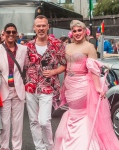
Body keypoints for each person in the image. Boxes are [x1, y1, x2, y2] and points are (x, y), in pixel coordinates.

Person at [53, 20, 119, 150]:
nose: (77, 33)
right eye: (75, 31)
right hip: (69, 86)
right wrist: (63, 82)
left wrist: (98, 88)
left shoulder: (89, 47)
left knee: (80, 114)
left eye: (80, 30)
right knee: (72, 113)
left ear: (85, 32)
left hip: (82, 86)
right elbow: (66, 67)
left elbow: (93, 70)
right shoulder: (67, 47)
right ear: (71, 33)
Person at [25, 15, 66, 150]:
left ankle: (50, 146)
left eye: (43, 25)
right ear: (34, 28)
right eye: (38, 26)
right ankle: (39, 147)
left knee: (44, 121)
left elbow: (65, 64)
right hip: (30, 88)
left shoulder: (57, 45)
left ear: (48, 26)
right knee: (33, 121)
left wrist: (54, 72)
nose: (41, 28)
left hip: (48, 88)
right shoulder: (27, 46)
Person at [0, 23, 27, 150]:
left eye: (13, 32)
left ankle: (17, 148)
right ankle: (4, 148)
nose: (11, 34)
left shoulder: (23, 49)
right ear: (4, 34)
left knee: (18, 124)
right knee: (5, 124)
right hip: (4, 90)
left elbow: (27, 68)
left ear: (17, 34)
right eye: (8, 32)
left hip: (18, 90)